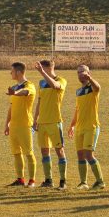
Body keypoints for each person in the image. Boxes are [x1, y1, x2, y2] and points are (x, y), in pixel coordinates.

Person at [33, 59, 68, 190]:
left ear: (49, 67)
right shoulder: (41, 83)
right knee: (44, 151)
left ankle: (63, 181)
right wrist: (35, 118)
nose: (40, 70)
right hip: (42, 122)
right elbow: (39, 101)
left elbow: (55, 86)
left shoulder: (61, 80)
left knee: (59, 150)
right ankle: (48, 180)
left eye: (42, 68)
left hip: (55, 121)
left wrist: (42, 73)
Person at [68, 65, 105, 190]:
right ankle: (83, 182)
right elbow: (77, 110)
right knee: (80, 155)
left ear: (88, 73)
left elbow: (98, 87)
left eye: (82, 72)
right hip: (79, 128)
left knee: (89, 155)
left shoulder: (93, 88)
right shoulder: (78, 91)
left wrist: (90, 78)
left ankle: (100, 182)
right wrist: (72, 125)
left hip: (91, 126)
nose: (80, 74)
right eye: (78, 72)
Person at [4, 62, 37, 187]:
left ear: (18, 72)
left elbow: (25, 92)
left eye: (11, 71)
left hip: (25, 125)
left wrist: (15, 93)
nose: (10, 73)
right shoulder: (14, 87)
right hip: (14, 126)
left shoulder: (30, 86)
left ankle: (32, 180)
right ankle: (20, 179)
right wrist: (7, 124)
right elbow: (11, 108)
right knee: (16, 153)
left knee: (29, 153)